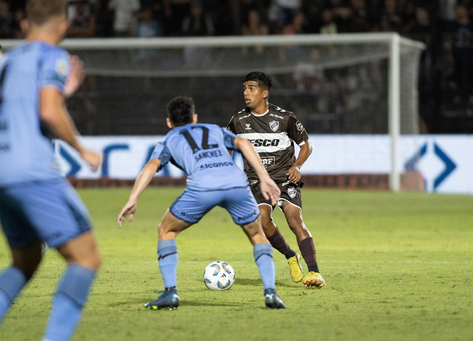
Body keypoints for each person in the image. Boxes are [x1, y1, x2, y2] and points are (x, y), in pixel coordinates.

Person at [117, 96, 286, 310]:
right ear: (195, 118)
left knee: (166, 230)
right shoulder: (213, 129)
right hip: (236, 183)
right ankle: (271, 293)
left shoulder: (169, 139)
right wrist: (265, 178)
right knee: (256, 234)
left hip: (203, 187)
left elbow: (152, 165)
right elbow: (242, 143)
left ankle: (170, 293)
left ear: (169, 122)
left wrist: (133, 198)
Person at [0, 1, 102, 340]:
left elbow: (25, 107)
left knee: (25, 262)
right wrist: (81, 147)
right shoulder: (53, 55)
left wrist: (62, 95)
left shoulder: (9, 60)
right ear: (63, 26)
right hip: (33, 173)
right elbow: (48, 112)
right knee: (86, 259)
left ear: (26, 25)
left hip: (4, 173)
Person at [227, 71, 325, 289]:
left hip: (284, 177)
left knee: (294, 219)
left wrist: (297, 165)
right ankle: (290, 255)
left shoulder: (285, 118)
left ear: (264, 93)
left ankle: (314, 272)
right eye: (244, 88)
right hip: (257, 180)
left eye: (251, 88)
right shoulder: (238, 121)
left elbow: (306, 145)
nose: (246, 92)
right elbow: (225, 146)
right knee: (262, 220)